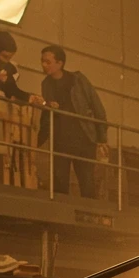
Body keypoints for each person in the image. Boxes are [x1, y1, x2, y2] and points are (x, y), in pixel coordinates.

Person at [38, 45, 108, 200]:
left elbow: (97, 106)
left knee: (86, 181)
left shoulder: (78, 80)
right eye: (43, 61)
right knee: (60, 183)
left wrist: (101, 138)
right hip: (60, 141)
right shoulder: (46, 84)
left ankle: (89, 214)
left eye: (48, 62)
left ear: (60, 63)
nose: (44, 65)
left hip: (83, 139)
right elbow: (46, 111)